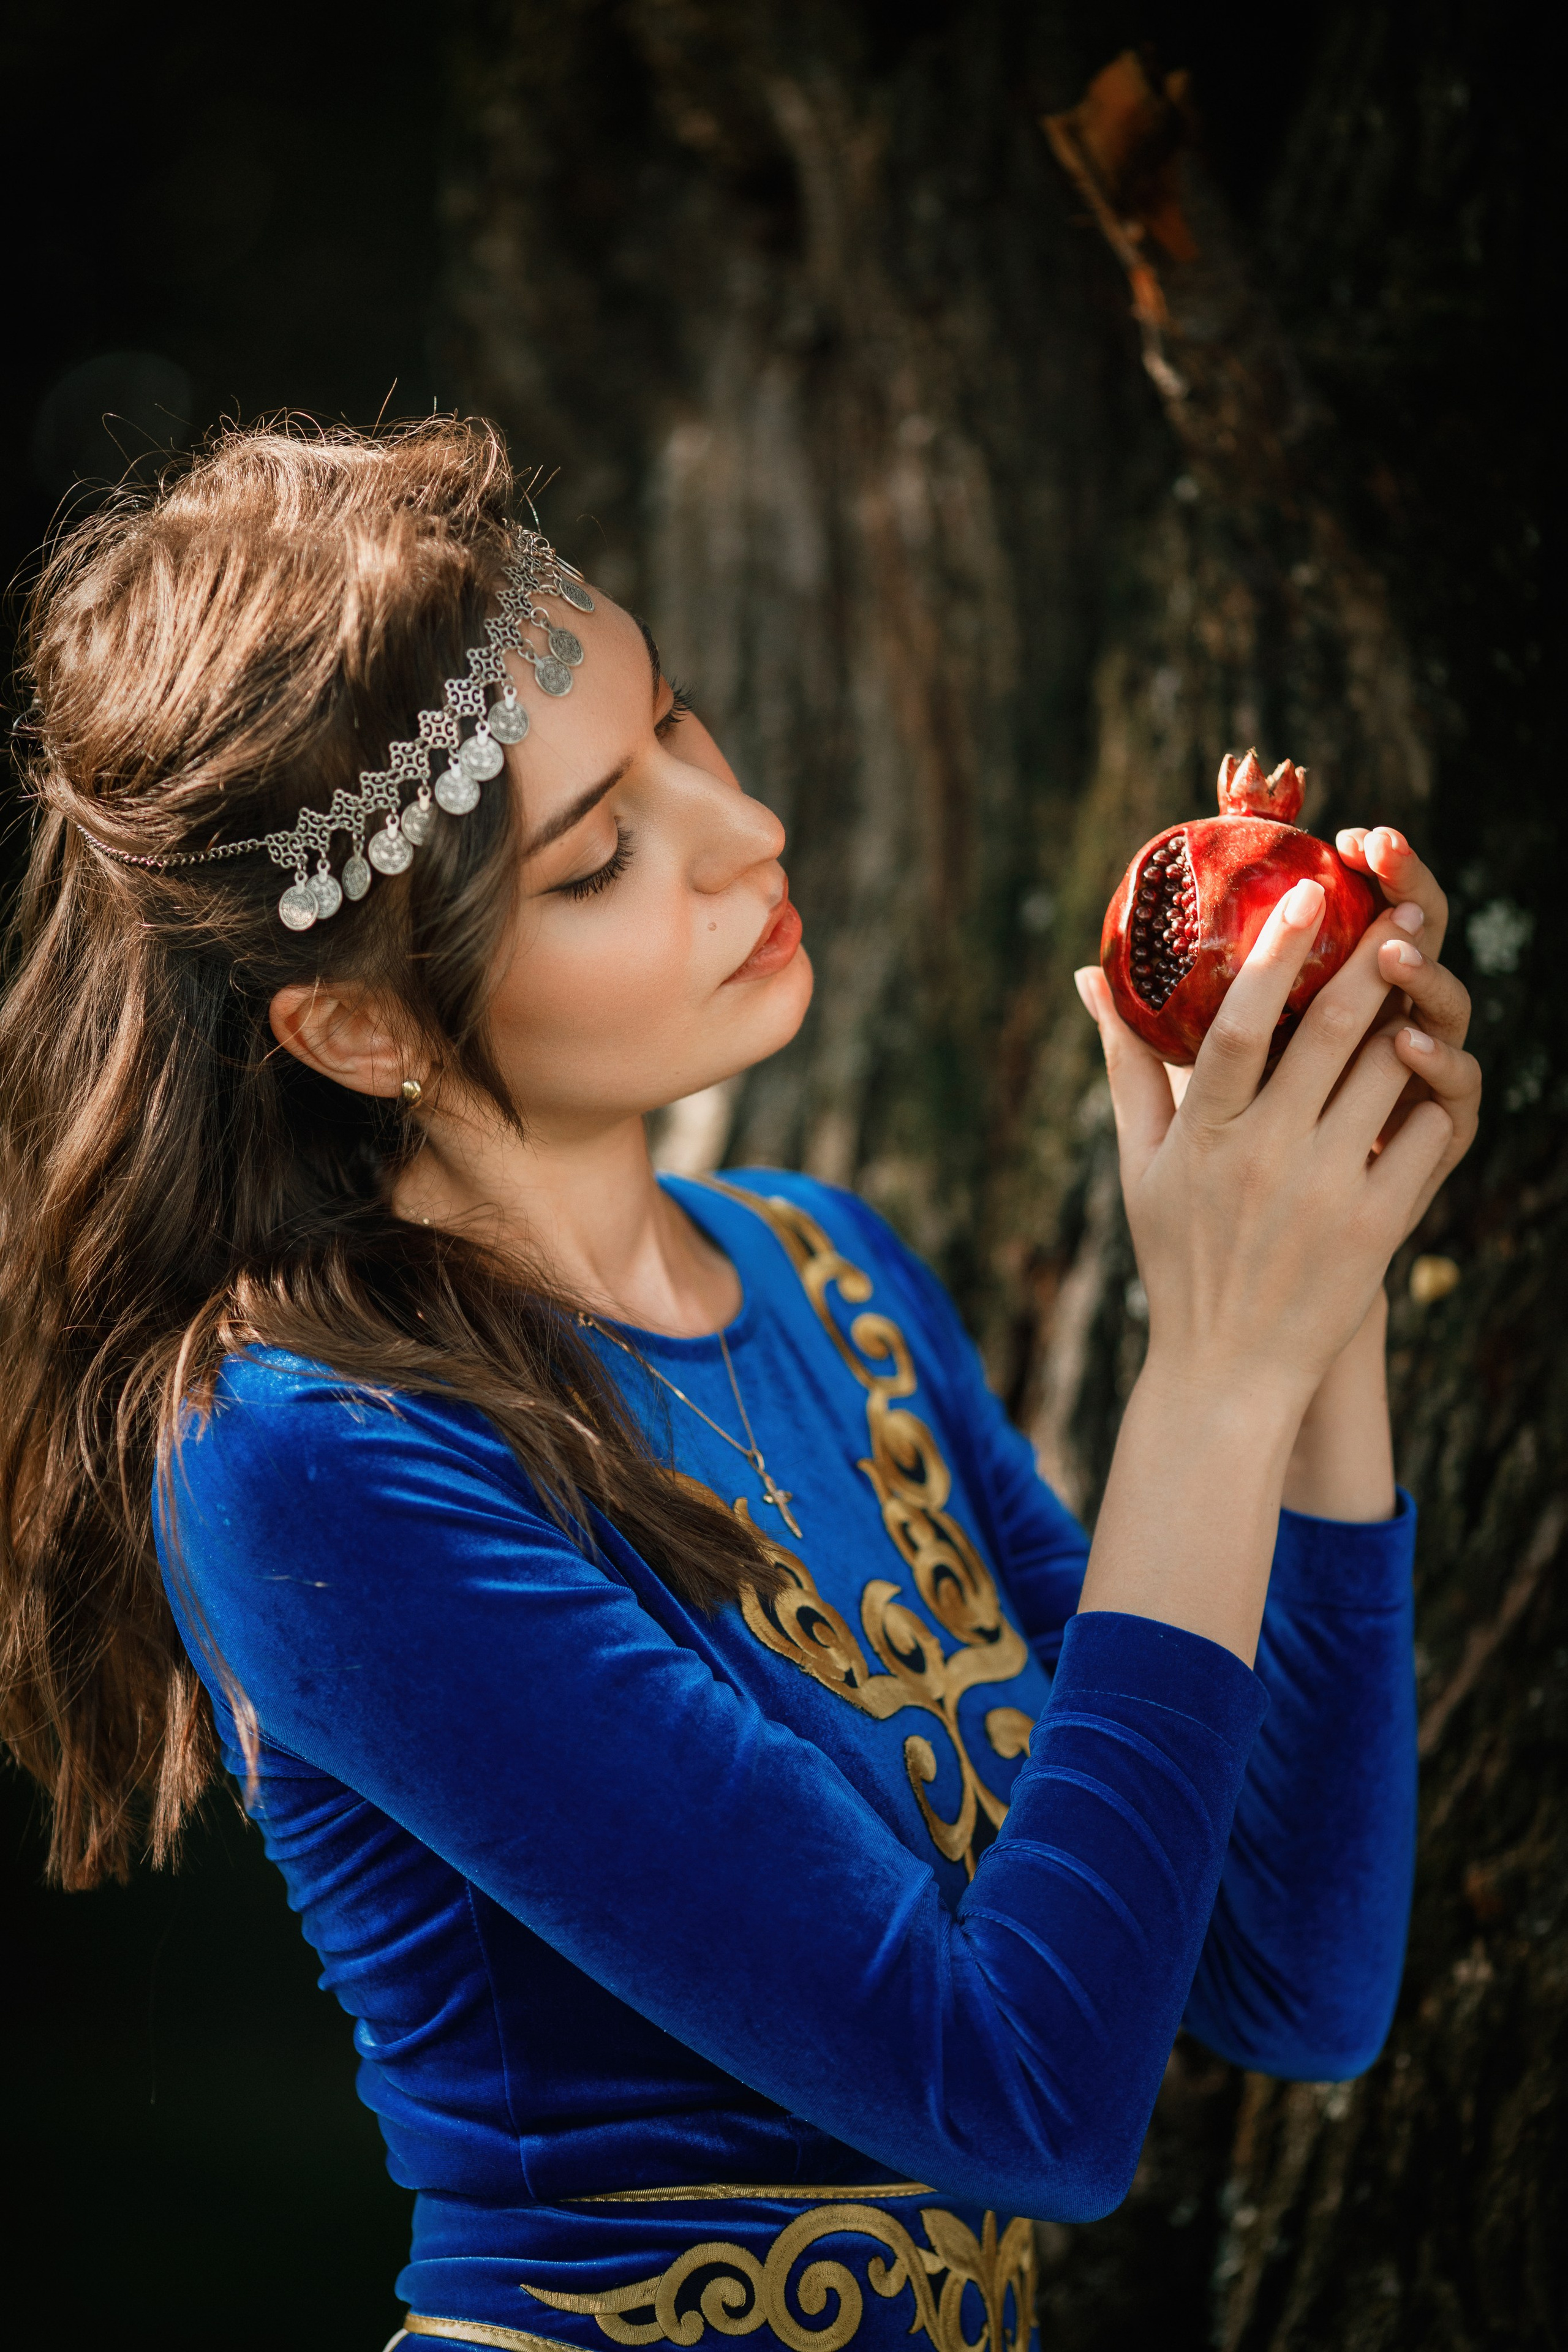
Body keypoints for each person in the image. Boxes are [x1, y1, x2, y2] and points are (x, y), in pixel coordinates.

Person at [0, 420, 1479, 2352]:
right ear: (358, 1025)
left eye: (682, 728)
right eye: (604, 854)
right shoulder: (307, 1455)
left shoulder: (825, 1281)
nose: (744, 831)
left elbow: (1293, 1975)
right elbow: (1026, 2102)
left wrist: (1319, 1270)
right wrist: (1215, 1361)